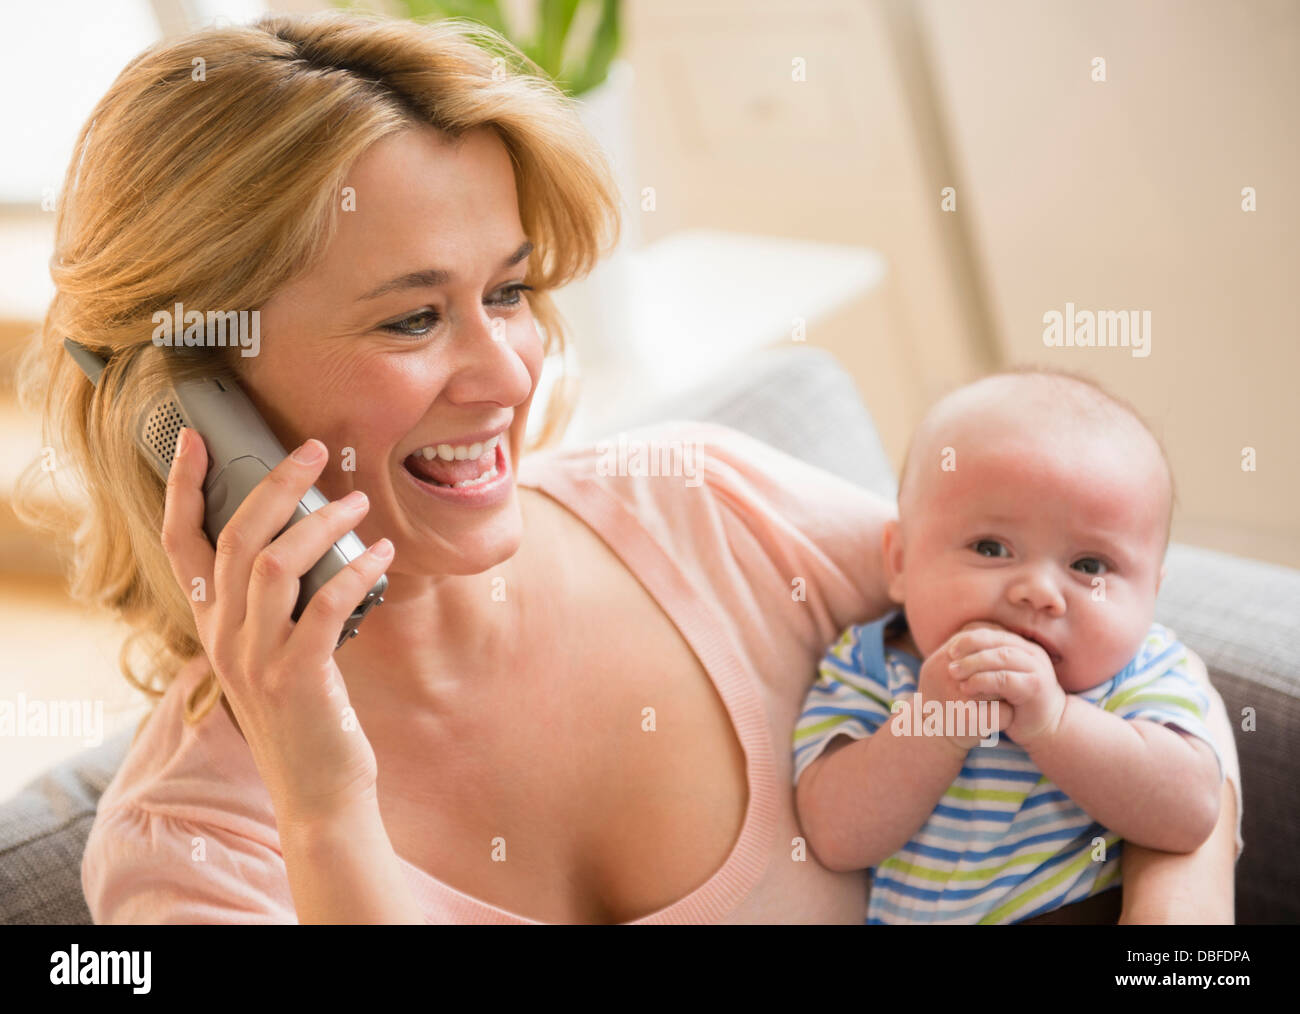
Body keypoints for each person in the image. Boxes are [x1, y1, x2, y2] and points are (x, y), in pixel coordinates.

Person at [14, 11, 1240, 924]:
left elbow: (1142, 678)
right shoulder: (194, 861)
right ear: (193, 398)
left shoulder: (709, 508)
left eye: (510, 292)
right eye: (411, 318)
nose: (508, 374)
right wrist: (327, 813)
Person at [793, 370, 1241, 923]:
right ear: (901, 562)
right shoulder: (872, 666)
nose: (1039, 592)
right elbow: (835, 835)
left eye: (1089, 565)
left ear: (1151, 593)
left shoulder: (1140, 670)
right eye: (991, 547)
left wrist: (1053, 724)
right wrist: (934, 726)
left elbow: (1191, 814)